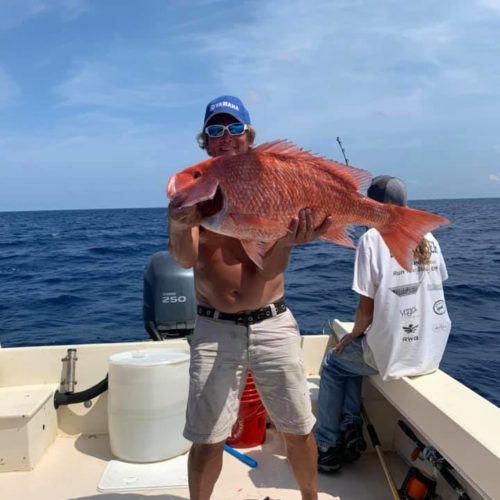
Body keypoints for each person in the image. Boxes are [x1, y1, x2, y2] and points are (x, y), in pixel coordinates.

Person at [168, 95, 332, 500]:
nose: (226, 137)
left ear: (249, 136)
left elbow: (271, 269)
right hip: (214, 327)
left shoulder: (274, 181)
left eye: (235, 128)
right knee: (206, 437)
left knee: (298, 426)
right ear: (205, 141)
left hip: (272, 322)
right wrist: (176, 222)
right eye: (215, 130)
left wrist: (291, 240)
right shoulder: (196, 183)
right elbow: (186, 258)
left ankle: (310, 497)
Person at [315, 175, 451, 473]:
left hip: (392, 354)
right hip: (430, 352)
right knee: (352, 361)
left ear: (370, 206)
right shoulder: (428, 237)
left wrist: (352, 335)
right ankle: (351, 428)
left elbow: (366, 310)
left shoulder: (371, 239)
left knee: (335, 364)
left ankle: (326, 445)